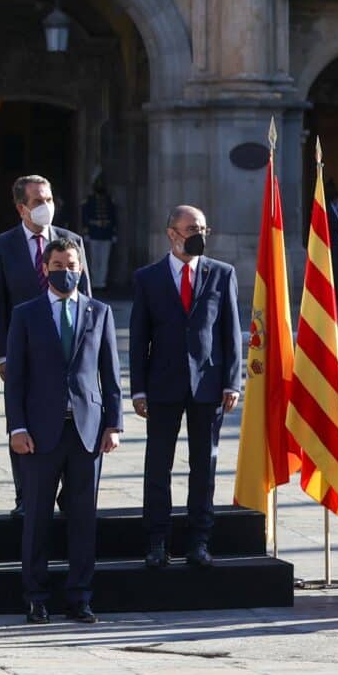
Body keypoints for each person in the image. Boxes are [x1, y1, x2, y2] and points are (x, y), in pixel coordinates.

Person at [6, 239, 122, 624]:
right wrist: (17, 427)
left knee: (82, 518)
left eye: (71, 263)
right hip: (40, 432)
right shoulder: (26, 314)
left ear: (80, 267)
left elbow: (110, 373)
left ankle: (80, 596)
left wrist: (113, 424)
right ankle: (35, 596)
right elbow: (16, 378)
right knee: (37, 516)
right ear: (45, 268)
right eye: (57, 264)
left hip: (86, 431)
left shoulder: (99, 311)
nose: (65, 270)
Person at [129, 205, 242, 570]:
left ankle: (199, 540)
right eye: (192, 227)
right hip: (162, 384)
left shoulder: (221, 274)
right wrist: (138, 388)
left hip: (207, 385)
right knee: (158, 465)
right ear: (172, 233)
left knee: (203, 466)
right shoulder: (148, 278)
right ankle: (157, 541)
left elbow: (230, 332)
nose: (199, 234)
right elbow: (138, 337)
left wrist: (232, 382)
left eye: (204, 229)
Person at [0, 174, 87, 518]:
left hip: (68, 346)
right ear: (21, 207)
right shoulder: (2, 245)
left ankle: (67, 495)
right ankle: (26, 495)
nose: (47, 207)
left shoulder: (71, 241)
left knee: (70, 422)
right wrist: (0, 355)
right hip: (23, 350)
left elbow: (87, 300)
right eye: (38, 201)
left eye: (50, 199)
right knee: (23, 422)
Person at [81, 178, 117, 292]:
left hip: (106, 233)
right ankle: (95, 282)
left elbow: (113, 217)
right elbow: (85, 217)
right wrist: (86, 231)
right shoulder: (89, 200)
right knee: (94, 259)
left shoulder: (109, 200)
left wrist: (114, 233)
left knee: (104, 260)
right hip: (94, 233)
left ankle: (102, 282)